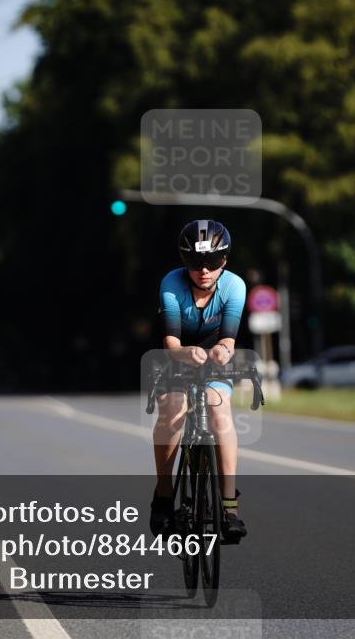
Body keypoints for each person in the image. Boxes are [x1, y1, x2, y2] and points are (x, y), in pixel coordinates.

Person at [151, 219, 248, 542]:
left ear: (225, 260)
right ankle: (164, 494)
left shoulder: (234, 286)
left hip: (215, 355)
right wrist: (186, 353)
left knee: (220, 411)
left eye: (212, 262)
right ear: (184, 262)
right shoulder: (171, 283)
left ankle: (229, 505)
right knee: (172, 408)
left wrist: (222, 348)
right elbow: (171, 345)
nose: (203, 270)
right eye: (194, 262)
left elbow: (229, 341)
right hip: (179, 355)